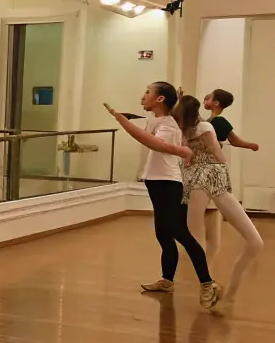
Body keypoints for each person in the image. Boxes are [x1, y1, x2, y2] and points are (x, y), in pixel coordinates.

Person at [105, 83, 223, 311]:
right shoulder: (162, 121)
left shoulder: (168, 125)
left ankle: (208, 283)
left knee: (179, 232)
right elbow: (152, 133)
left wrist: (123, 121)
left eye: (147, 92)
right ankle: (167, 280)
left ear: (159, 99)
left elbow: (153, 143)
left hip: (168, 183)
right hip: (157, 182)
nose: (143, 96)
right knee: (163, 233)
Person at [175, 94, 263, 304]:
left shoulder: (187, 131)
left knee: (202, 241)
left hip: (201, 180)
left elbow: (214, 148)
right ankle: (216, 291)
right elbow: (216, 150)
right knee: (207, 242)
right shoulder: (203, 127)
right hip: (210, 179)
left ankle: (214, 290)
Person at [197, 88, 261, 259]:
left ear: (216, 103)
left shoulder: (218, 122)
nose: (205, 98)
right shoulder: (207, 120)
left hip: (208, 169)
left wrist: (250, 145)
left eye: (209, 97)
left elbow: (233, 139)